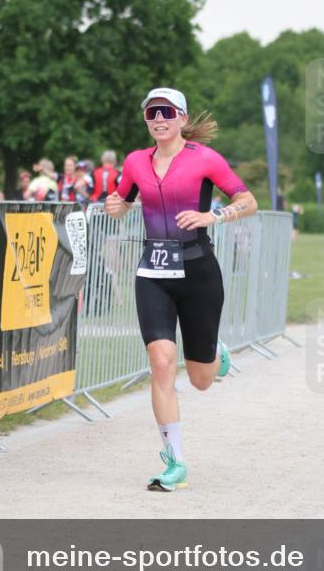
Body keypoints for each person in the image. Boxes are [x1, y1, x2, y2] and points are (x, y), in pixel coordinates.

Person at [105, 87, 257, 492]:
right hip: (153, 271)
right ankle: (175, 462)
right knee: (160, 361)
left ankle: (214, 354)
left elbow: (248, 200)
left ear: (182, 119)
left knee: (201, 379)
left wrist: (213, 215)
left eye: (166, 112)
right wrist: (115, 206)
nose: (158, 119)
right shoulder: (137, 161)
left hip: (198, 272)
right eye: (151, 113)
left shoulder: (204, 158)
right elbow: (122, 200)